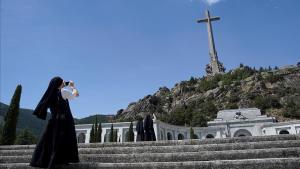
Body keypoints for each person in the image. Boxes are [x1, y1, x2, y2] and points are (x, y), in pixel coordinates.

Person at [29, 76, 80, 169]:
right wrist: (72, 86)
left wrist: (66, 83)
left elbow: (60, 85)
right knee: (63, 140)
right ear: (60, 84)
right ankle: (57, 161)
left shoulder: (50, 95)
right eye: (62, 82)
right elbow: (76, 95)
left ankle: (46, 161)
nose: (64, 82)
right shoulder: (63, 92)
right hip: (64, 121)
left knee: (49, 142)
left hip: (53, 121)